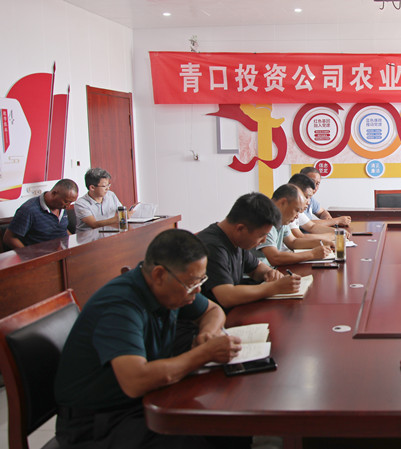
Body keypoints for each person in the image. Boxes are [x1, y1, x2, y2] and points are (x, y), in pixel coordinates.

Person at [54, 229, 245, 449]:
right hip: (97, 423)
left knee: (230, 427)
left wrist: (207, 333)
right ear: (159, 275)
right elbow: (136, 381)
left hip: (141, 402)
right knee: (196, 441)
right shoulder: (120, 306)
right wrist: (204, 354)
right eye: (192, 283)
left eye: (201, 281)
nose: (198, 290)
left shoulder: (170, 290)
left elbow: (213, 311)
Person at [197, 192, 301, 310]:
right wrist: (275, 287)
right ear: (240, 228)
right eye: (261, 236)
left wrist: (269, 273)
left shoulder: (236, 240)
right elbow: (226, 296)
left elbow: (256, 268)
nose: (264, 240)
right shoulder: (212, 246)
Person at [258, 184, 334, 266]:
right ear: (283, 202)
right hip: (260, 272)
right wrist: (312, 254)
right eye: (297, 210)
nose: (297, 216)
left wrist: (326, 243)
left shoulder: (281, 217)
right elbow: (274, 258)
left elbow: (293, 242)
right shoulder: (264, 218)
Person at [3, 178, 79, 249]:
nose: (68, 206)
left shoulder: (61, 206)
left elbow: (63, 229)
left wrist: (75, 243)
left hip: (64, 252)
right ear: (54, 193)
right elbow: (9, 238)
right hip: (41, 255)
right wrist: (28, 255)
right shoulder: (29, 210)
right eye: (66, 202)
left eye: (71, 202)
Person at [287, 173, 345, 242]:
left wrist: (337, 232)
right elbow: (299, 237)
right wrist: (331, 236)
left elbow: (312, 226)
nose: (308, 202)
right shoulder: (289, 211)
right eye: (306, 197)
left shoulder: (297, 211)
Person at [73, 167, 125, 231]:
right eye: (104, 186)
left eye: (108, 185)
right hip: (89, 236)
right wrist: (120, 218)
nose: (107, 188)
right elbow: (94, 224)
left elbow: (121, 211)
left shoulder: (111, 195)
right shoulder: (81, 203)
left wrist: (128, 212)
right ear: (92, 188)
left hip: (109, 233)